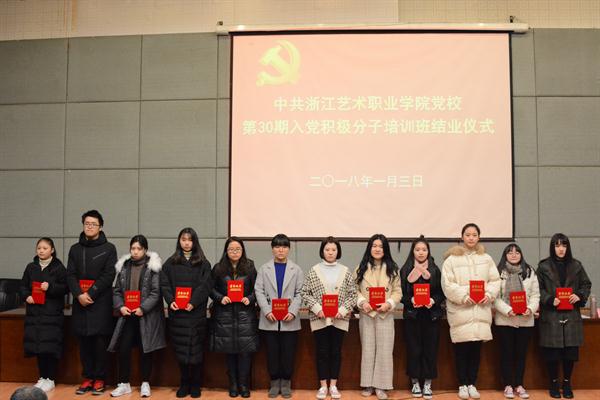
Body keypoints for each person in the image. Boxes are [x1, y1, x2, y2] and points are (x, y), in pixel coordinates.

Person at [441, 223, 500, 400]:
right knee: (461, 351)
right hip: (461, 311)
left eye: (474, 235)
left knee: (476, 351)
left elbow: (495, 281)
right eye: (468, 235)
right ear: (462, 237)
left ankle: (472, 384)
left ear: (479, 237)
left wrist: (488, 294)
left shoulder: (486, 259)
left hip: (480, 310)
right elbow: (447, 284)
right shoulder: (451, 260)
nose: (471, 238)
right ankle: (462, 384)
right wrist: (463, 296)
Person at [107, 235, 166, 398]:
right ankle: (123, 383)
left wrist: (143, 308)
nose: (135, 251)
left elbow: (155, 292)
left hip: (145, 315)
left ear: (145, 250)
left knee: (145, 349)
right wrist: (121, 306)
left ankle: (145, 383)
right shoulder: (124, 266)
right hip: (127, 315)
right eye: (133, 248)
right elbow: (117, 291)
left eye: (139, 248)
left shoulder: (152, 266)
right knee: (123, 349)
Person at [66, 210, 117, 395]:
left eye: (93, 224)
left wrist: (91, 293)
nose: (89, 227)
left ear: (100, 226)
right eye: (86, 223)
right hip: (80, 302)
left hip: (100, 301)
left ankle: (100, 379)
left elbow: (109, 274)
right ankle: (87, 377)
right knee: (84, 341)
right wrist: (79, 294)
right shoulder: (75, 249)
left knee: (99, 342)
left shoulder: (109, 248)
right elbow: (70, 275)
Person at [300, 236, 357, 400]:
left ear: (338, 251)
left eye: (333, 249)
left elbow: (353, 294)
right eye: (327, 249)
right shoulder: (314, 270)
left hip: (340, 318)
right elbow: (305, 293)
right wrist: (317, 308)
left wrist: (343, 309)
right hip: (320, 318)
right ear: (322, 251)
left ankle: (333, 385)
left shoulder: (345, 271)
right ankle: (323, 386)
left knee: (336, 352)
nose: (330, 252)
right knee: (322, 351)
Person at [537, 233, 591, 399]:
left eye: (564, 245)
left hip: (571, 315)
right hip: (551, 316)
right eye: (557, 245)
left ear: (568, 247)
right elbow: (537, 289)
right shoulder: (544, 266)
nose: (561, 249)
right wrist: (549, 299)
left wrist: (579, 295)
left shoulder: (576, 265)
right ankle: (553, 383)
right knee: (552, 354)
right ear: (552, 247)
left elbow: (586, 284)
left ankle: (567, 383)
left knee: (570, 353)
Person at [160, 227, 212, 398]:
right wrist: (171, 301)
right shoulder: (170, 263)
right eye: (183, 239)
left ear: (195, 242)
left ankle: (196, 383)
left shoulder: (203, 263)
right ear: (179, 241)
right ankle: (184, 383)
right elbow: (164, 284)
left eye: (190, 239)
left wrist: (193, 302)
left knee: (196, 350)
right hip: (178, 314)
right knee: (181, 351)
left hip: (196, 314)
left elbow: (205, 286)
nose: (187, 243)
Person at [255, 234, 305, 399]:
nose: (280, 250)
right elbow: (259, 291)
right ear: (272, 249)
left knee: (288, 353)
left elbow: (300, 293)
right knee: (272, 353)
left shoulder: (296, 269)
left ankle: (286, 383)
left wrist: (292, 311)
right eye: (277, 246)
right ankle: (274, 383)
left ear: (288, 249)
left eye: (284, 246)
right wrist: (267, 310)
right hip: (269, 319)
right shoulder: (264, 269)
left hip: (289, 319)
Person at [209, 237, 259, 398]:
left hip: (245, 316)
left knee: (245, 352)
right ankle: (233, 385)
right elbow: (210, 288)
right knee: (229, 351)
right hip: (225, 315)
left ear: (242, 250)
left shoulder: (250, 267)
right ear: (226, 251)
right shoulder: (218, 268)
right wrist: (220, 298)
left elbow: (258, 288)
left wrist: (250, 298)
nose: (235, 252)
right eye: (231, 249)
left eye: (238, 249)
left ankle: (243, 385)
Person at [355, 234, 402, 400]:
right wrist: (362, 302)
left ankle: (381, 386)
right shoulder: (360, 268)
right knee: (368, 349)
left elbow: (397, 291)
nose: (377, 249)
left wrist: (389, 303)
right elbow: (354, 290)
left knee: (384, 350)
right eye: (374, 246)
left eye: (380, 246)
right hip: (367, 314)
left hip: (385, 315)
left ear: (385, 249)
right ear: (369, 248)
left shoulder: (393, 268)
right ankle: (368, 384)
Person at [19, 237, 68, 393]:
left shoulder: (58, 268)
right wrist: (27, 296)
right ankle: (42, 377)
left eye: (45, 248)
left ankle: (50, 379)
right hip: (34, 313)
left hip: (51, 314)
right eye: (39, 248)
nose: (41, 251)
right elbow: (22, 286)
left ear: (52, 250)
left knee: (49, 346)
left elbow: (66, 288)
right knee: (38, 346)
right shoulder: (31, 267)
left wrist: (51, 287)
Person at [399, 236, 445, 399]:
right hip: (413, 316)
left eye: (424, 250)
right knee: (414, 350)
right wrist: (411, 300)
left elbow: (441, 293)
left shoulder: (435, 270)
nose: (421, 252)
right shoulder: (405, 269)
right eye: (417, 249)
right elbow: (400, 294)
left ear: (428, 252)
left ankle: (427, 383)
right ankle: (415, 383)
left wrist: (433, 301)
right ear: (413, 251)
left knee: (430, 350)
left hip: (431, 316)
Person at [493, 243, 540, 399]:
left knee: (521, 354)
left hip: (525, 320)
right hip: (504, 320)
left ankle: (519, 384)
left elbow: (535, 295)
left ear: (521, 255)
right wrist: (507, 310)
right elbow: (495, 297)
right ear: (505, 255)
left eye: (517, 252)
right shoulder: (498, 272)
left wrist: (530, 309)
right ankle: (507, 385)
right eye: (510, 252)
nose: (514, 255)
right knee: (506, 354)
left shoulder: (529, 272)